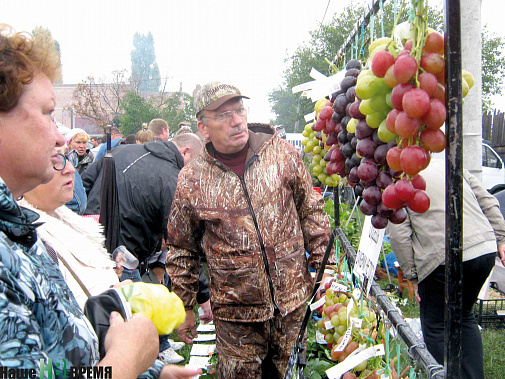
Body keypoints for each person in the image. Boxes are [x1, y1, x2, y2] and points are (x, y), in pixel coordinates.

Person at [0, 24, 200, 379]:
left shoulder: (18, 231)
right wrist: (124, 361)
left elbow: (58, 366)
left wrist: (151, 374)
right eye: (47, 113)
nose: (58, 137)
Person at [165, 81, 334, 378]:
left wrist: (326, 267)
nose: (236, 120)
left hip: (292, 306)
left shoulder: (281, 154)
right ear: (203, 127)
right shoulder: (192, 178)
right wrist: (184, 305)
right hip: (236, 319)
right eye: (223, 115)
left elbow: (311, 212)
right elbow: (181, 247)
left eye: (239, 109)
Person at [386, 158, 505, 379]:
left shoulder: (399, 180)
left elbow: (398, 232)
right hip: (483, 250)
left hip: (443, 258)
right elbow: (487, 200)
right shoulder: (450, 164)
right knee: (463, 316)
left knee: (436, 326)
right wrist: (501, 237)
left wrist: (413, 276)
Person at [19, 147, 121, 309]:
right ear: (20, 173)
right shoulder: (27, 241)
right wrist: (115, 295)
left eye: (67, 158)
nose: (70, 169)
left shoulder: (66, 221)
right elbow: (61, 317)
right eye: (54, 160)